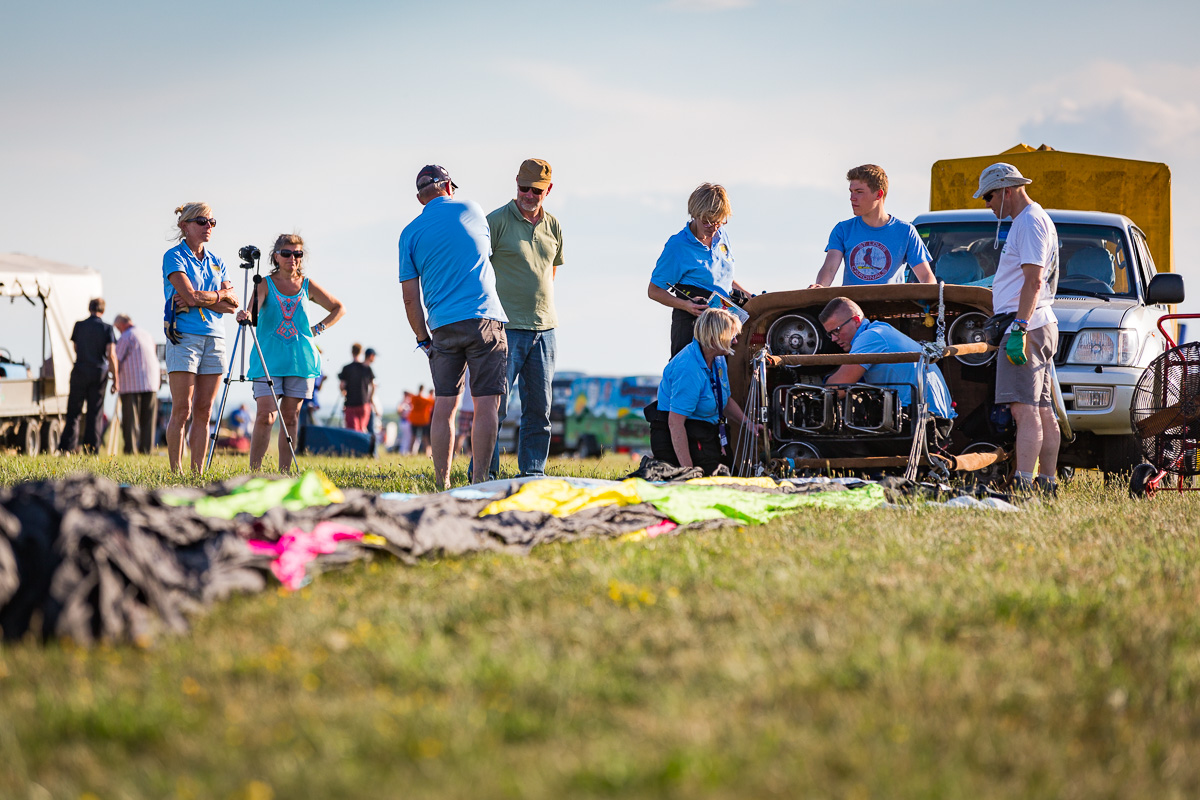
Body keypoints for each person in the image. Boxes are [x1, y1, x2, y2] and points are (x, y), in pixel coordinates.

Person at [399, 164, 508, 489]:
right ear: (448, 186)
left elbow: (409, 299)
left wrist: (423, 339)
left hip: (443, 326)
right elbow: (484, 253)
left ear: (421, 198)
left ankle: (442, 482)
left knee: (445, 404)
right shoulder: (472, 209)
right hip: (484, 318)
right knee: (486, 404)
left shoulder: (410, 233)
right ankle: (478, 482)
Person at [976, 163, 1061, 496]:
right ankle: (1047, 483)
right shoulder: (1035, 219)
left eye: (988, 196)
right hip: (1039, 322)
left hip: (1027, 324)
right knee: (1042, 408)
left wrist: (1019, 327)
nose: (987, 204)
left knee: (1023, 410)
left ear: (1005, 190)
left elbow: (1034, 279)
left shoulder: (1027, 222)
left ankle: (1023, 484)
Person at [239, 233, 345, 472]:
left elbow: (339, 308)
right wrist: (245, 314)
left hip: (300, 361)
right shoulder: (264, 283)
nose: (292, 258)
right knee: (266, 416)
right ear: (276, 256)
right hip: (268, 360)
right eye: (286, 253)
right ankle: (254, 473)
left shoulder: (307, 285)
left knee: (291, 419)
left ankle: (284, 474)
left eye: (298, 254)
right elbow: (252, 311)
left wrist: (318, 329)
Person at [487, 158, 564, 478]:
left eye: (536, 190)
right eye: (523, 188)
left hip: (545, 330)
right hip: (505, 328)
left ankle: (532, 472)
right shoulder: (495, 221)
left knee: (539, 411)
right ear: (516, 183)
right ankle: (484, 473)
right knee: (494, 408)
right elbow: (477, 269)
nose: (529, 195)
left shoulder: (554, 226)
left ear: (548, 190)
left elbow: (552, 270)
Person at [163, 201, 239, 473]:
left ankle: (197, 472)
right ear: (184, 226)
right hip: (185, 338)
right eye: (202, 222)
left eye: (212, 222)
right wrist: (216, 296)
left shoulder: (218, 261)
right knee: (182, 410)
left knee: (204, 412)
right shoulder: (174, 256)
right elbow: (191, 295)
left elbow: (232, 306)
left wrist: (200, 300)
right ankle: (176, 471)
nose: (209, 227)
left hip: (215, 339)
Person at [818, 297, 956, 431]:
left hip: (925, 425)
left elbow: (836, 390)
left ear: (856, 321)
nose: (834, 339)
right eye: (830, 334)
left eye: (836, 330)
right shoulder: (881, 329)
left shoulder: (870, 337)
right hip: (935, 420)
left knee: (827, 441)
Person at [648, 308, 756, 475]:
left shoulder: (718, 359)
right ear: (716, 337)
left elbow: (724, 400)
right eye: (732, 335)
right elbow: (675, 424)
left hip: (704, 432)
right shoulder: (688, 369)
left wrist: (749, 425)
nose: (735, 341)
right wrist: (688, 472)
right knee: (711, 484)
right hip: (681, 435)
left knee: (731, 477)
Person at [648, 183, 750, 358]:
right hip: (693, 322)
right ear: (695, 215)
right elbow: (654, 291)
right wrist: (687, 306)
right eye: (708, 222)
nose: (714, 227)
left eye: (719, 221)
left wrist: (752, 298)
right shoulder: (678, 246)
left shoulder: (722, 235)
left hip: (723, 321)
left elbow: (725, 279)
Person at [809, 165, 936, 288]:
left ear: (878, 195)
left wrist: (932, 300)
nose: (852, 198)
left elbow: (925, 276)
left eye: (859, 192)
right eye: (851, 192)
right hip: (853, 308)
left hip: (892, 307)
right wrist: (820, 286)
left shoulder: (906, 231)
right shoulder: (843, 230)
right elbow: (830, 269)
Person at [60, 297, 119, 454]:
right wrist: (116, 379)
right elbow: (111, 354)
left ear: (89, 308)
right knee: (95, 412)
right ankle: (91, 448)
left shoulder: (79, 326)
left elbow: (76, 347)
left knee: (74, 411)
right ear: (103, 310)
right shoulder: (107, 329)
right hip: (99, 373)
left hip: (80, 370)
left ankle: (68, 447)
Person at [113, 313, 160, 454]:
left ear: (121, 324)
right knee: (148, 419)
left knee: (130, 419)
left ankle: (130, 449)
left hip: (131, 383)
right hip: (151, 381)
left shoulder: (126, 337)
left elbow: (116, 359)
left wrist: (113, 377)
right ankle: (146, 449)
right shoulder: (146, 334)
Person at [338, 343, 374, 432]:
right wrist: (369, 398)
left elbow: (342, 385)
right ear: (361, 352)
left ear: (352, 352)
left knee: (352, 430)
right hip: (364, 403)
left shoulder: (346, 368)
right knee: (362, 429)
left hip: (350, 403)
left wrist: (344, 393)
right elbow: (373, 386)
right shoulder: (367, 368)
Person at [456, 369, 475, 455]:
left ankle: (456, 453)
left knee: (462, 433)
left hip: (466, 406)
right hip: (478, 406)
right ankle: (471, 453)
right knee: (475, 433)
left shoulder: (466, 368)